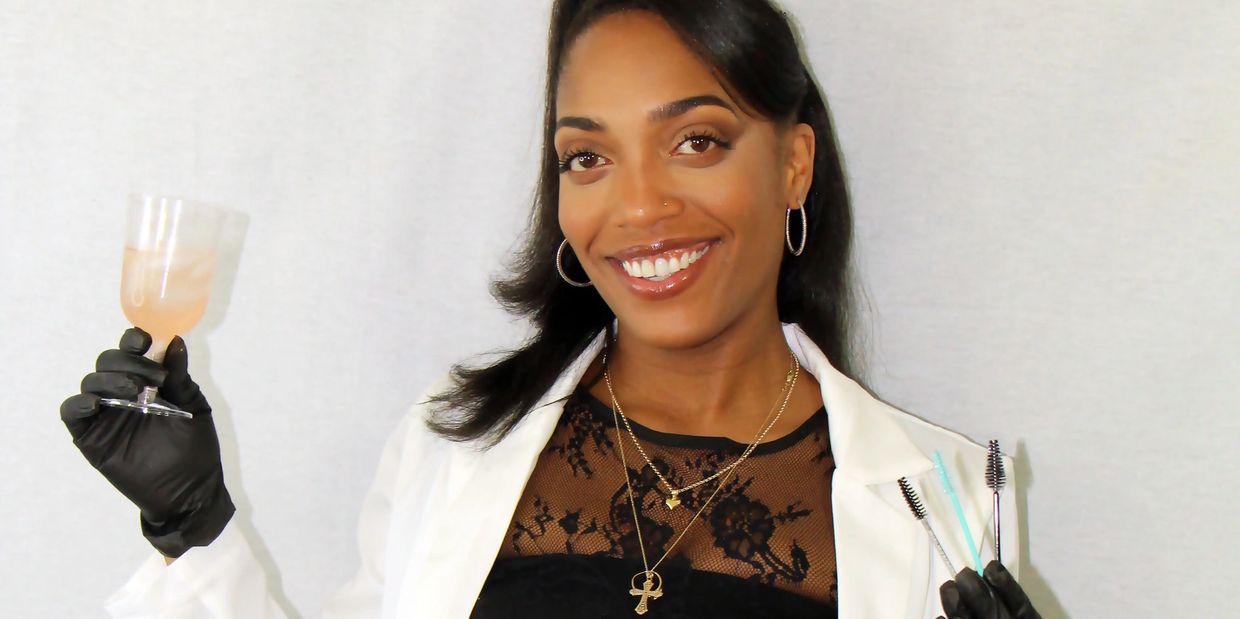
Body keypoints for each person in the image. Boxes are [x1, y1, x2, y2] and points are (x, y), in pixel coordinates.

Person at [62, 1, 1043, 617]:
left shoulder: (940, 499)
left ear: (793, 164)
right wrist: (194, 527)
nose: (639, 207)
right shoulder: (455, 439)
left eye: (695, 141)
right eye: (588, 155)